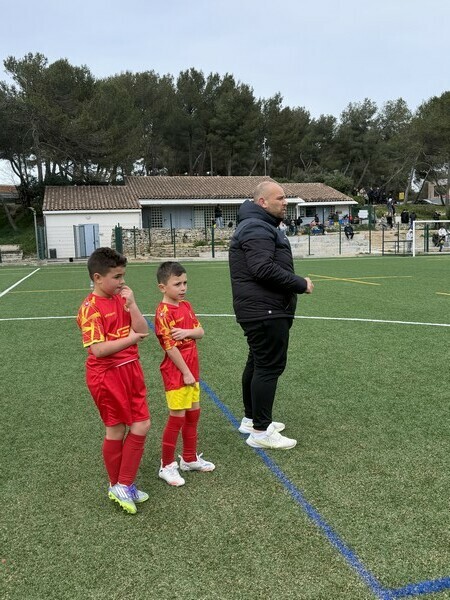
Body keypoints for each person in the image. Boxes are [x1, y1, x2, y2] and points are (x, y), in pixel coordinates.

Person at [228, 181, 314, 450]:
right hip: (265, 309)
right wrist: (300, 283)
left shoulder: (259, 225)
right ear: (262, 202)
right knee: (268, 366)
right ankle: (261, 431)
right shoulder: (256, 227)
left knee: (257, 362)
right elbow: (262, 268)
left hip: (262, 309)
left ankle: (252, 420)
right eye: (280, 198)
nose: (285, 202)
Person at [77, 247, 151, 515]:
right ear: (98, 278)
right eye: (117, 277)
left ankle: (123, 484)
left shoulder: (122, 299)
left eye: (123, 276)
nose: (122, 281)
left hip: (131, 369)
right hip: (106, 375)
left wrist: (133, 304)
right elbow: (98, 350)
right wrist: (130, 339)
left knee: (142, 424)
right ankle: (119, 484)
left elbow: (143, 330)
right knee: (116, 429)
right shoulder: (90, 309)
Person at [154, 261, 215, 486]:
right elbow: (170, 347)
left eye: (185, 283)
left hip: (192, 367)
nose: (183, 288)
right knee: (177, 418)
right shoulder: (163, 313)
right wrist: (186, 373)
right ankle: (166, 465)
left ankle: (189, 458)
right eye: (177, 284)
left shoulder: (186, 305)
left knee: (193, 414)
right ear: (163, 287)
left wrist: (187, 332)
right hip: (177, 371)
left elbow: (200, 331)